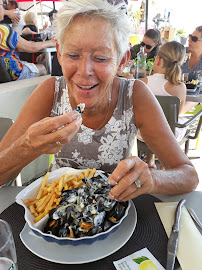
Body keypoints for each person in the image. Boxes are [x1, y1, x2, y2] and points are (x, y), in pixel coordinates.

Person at [0, 0, 198, 200]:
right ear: (59, 53)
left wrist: (152, 179)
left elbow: (188, 175)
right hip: (55, 212)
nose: (84, 71)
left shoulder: (135, 95)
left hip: (113, 214)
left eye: (101, 58)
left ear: (121, 61)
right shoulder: (51, 91)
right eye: (73, 55)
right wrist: (27, 146)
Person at [138, 41, 197, 168]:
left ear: (158, 59)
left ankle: (150, 161)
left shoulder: (142, 83)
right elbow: (177, 114)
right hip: (167, 137)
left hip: (142, 135)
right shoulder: (179, 87)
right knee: (177, 123)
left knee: (151, 122)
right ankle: (165, 165)